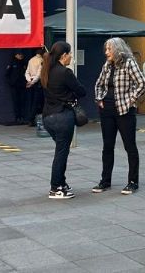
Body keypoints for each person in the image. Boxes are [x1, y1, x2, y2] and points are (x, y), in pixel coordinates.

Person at [92, 37, 145, 195]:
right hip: (107, 111)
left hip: (124, 111)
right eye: (106, 49)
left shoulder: (129, 63)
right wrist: (99, 98)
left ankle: (132, 182)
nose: (106, 52)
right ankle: (105, 181)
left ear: (117, 49)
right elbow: (98, 84)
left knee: (130, 147)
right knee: (107, 146)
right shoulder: (107, 66)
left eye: (109, 49)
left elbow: (142, 83)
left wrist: (131, 100)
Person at [40, 41, 86, 200]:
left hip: (48, 118)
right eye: (69, 54)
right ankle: (56, 187)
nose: (71, 57)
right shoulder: (65, 73)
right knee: (61, 153)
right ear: (63, 55)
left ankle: (62, 182)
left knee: (60, 150)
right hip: (62, 117)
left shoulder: (46, 71)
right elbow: (81, 91)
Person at [23, 47, 46, 126]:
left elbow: (27, 72)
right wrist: (32, 82)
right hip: (38, 83)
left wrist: (29, 80)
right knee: (38, 102)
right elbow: (39, 74)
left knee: (32, 101)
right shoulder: (42, 61)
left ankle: (30, 119)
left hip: (31, 82)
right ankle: (33, 119)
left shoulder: (31, 60)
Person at [5, 50, 28, 124]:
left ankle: (22, 117)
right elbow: (6, 74)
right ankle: (17, 117)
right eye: (19, 54)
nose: (21, 55)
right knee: (15, 101)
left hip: (22, 85)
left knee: (22, 101)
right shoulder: (12, 63)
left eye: (21, 54)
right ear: (15, 55)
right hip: (14, 85)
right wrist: (11, 82)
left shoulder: (24, 63)